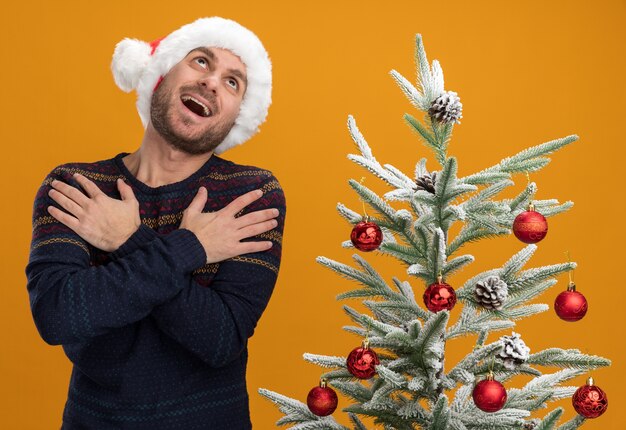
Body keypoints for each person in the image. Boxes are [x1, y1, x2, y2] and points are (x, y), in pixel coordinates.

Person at [25, 17, 285, 429]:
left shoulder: (249, 195)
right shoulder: (77, 187)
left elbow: (220, 340)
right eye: (201, 61)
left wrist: (128, 239)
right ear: (161, 72)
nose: (213, 82)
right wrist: (192, 247)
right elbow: (59, 315)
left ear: (237, 115)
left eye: (233, 82)